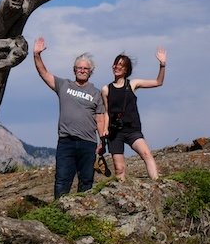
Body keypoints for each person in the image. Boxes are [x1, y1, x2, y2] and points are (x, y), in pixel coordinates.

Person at [33, 36, 108, 198]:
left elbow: (100, 119)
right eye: (79, 68)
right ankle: (59, 213)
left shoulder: (96, 93)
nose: (82, 70)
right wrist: (37, 55)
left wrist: (103, 141)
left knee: (86, 181)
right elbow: (44, 73)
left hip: (88, 143)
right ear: (74, 70)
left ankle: (83, 216)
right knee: (62, 180)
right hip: (66, 141)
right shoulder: (64, 85)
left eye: (85, 69)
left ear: (91, 72)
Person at [101, 48, 167, 181]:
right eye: (116, 64)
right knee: (119, 168)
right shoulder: (106, 89)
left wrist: (162, 65)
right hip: (115, 133)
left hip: (132, 129)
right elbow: (107, 112)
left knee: (146, 154)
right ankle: (121, 194)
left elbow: (158, 82)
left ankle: (157, 184)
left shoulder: (132, 84)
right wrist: (104, 130)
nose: (117, 67)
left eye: (121, 65)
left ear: (126, 70)